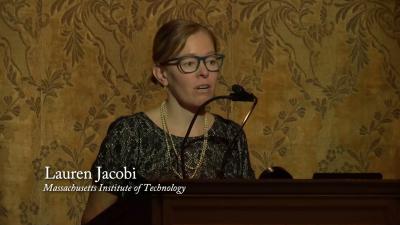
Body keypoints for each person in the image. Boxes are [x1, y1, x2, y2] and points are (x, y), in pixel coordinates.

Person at [81, 19, 255, 224]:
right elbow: (93, 220)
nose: (204, 72)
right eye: (189, 63)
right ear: (162, 74)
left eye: (211, 61)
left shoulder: (230, 135)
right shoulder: (130, 134)